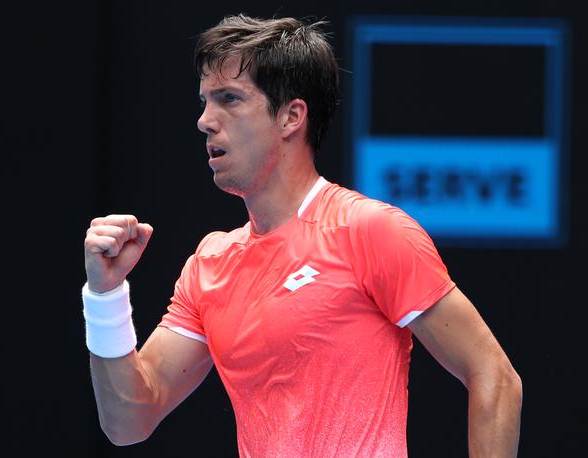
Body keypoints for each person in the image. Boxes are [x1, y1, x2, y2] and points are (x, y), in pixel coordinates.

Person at [81, 14, 522, 457]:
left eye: (229, 99)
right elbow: (128, 421)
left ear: (291, 116)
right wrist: (105, 296)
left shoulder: (368, 230)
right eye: (205, 101)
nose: (205, 121)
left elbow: (494, 375)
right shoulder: (209, 265)